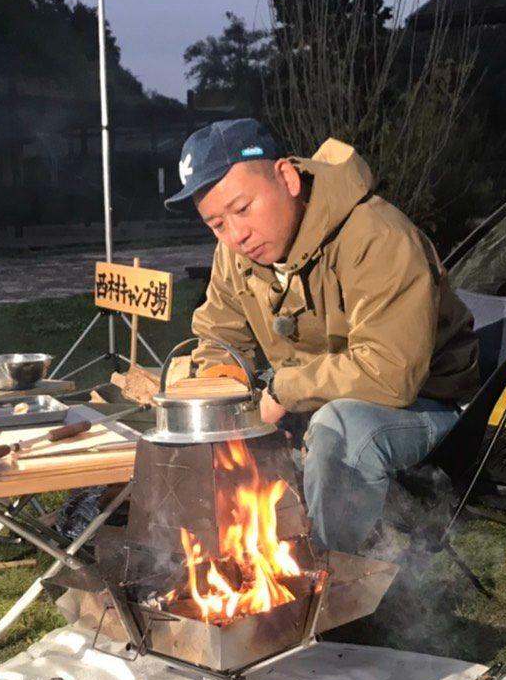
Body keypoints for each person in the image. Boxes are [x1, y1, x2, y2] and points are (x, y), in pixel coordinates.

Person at [169, 118, 479, 554]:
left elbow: (390, 373)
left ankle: (332, 580)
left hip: (425, 403)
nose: (236, 235)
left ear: (287, 178)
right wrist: (222, 393)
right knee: (216, 420)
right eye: (216, 224)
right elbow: (217, 335)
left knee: (341, 429)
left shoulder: (376, 237)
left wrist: (282, 391)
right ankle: (238, 564)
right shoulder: (236, 253)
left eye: (243, 209)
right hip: (318, 398)